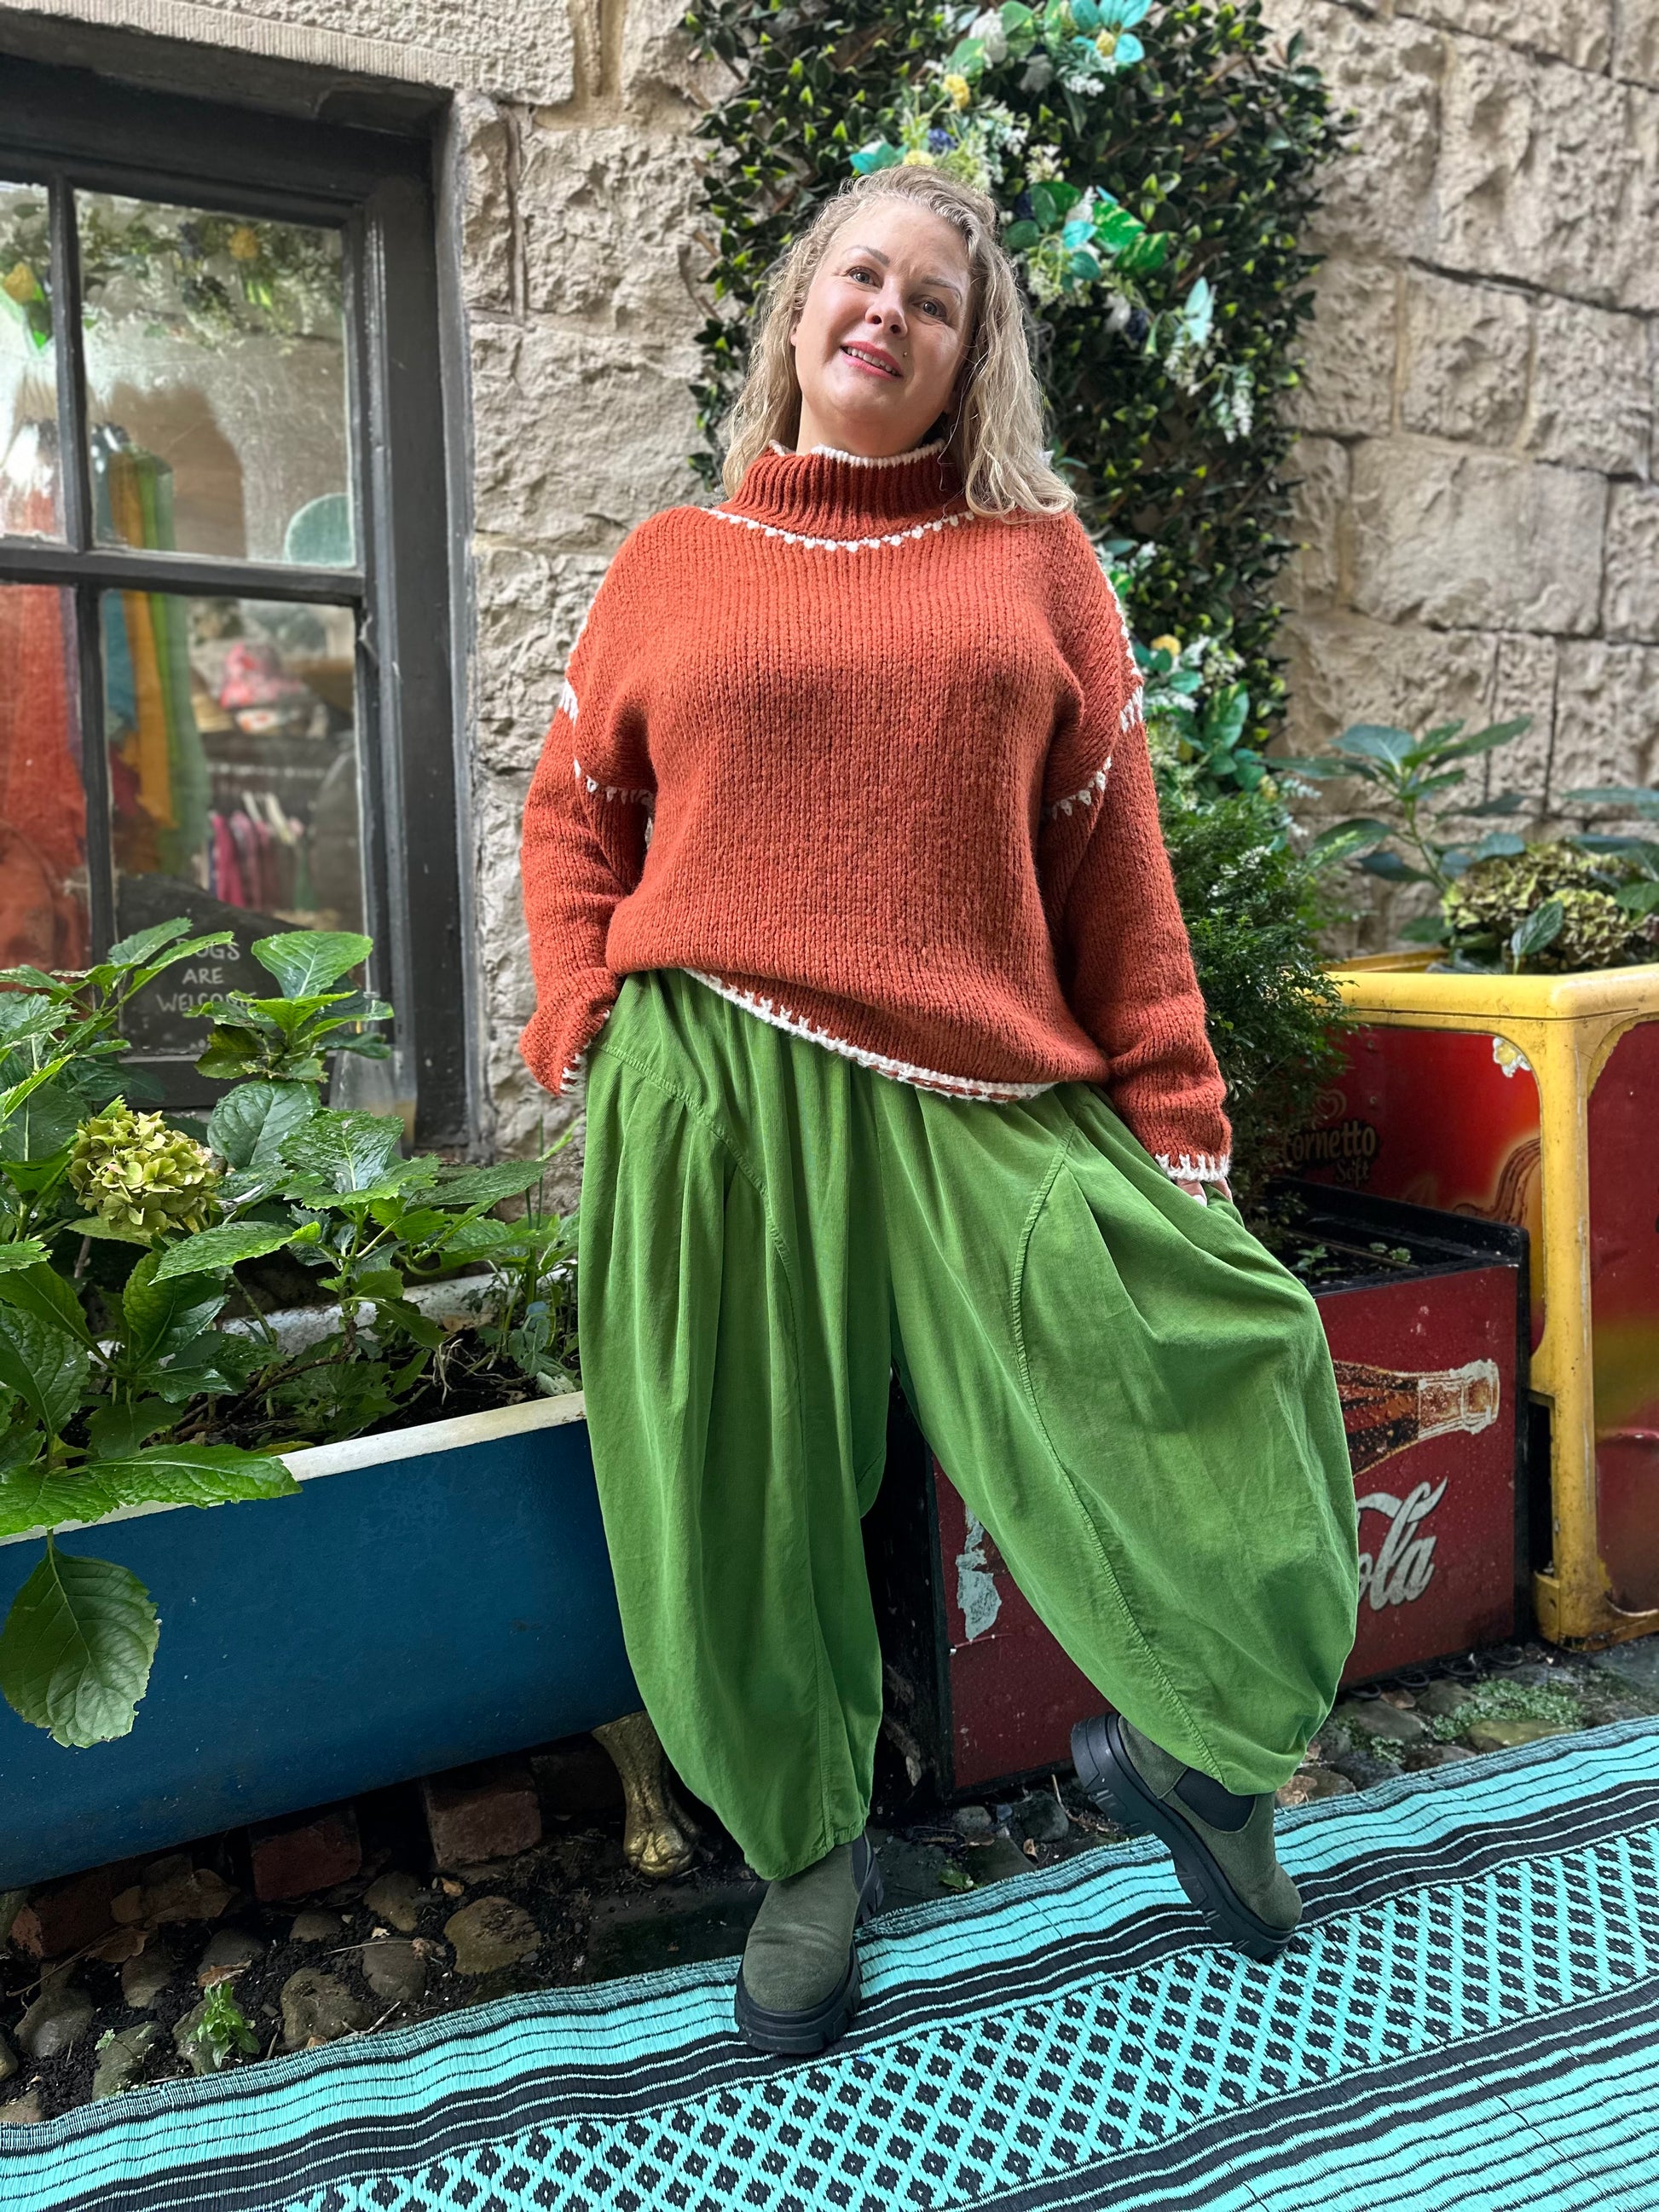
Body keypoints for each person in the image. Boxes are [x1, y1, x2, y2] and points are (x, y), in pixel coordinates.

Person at [519, 166, 1360, 2058]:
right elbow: (575, 813)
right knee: (728, 1479)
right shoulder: (672, 560)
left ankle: (1204, 1755)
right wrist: (584, 1012)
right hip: (713, 1072)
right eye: (858, 276)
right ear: (798, 307)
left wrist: (1177, 1113)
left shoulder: (1036, 565)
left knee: (1224, 1351)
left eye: (934, 300)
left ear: (972, 360)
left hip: (977, 1079)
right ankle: (807, 1855)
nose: (885, 313)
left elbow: (1114, 870)